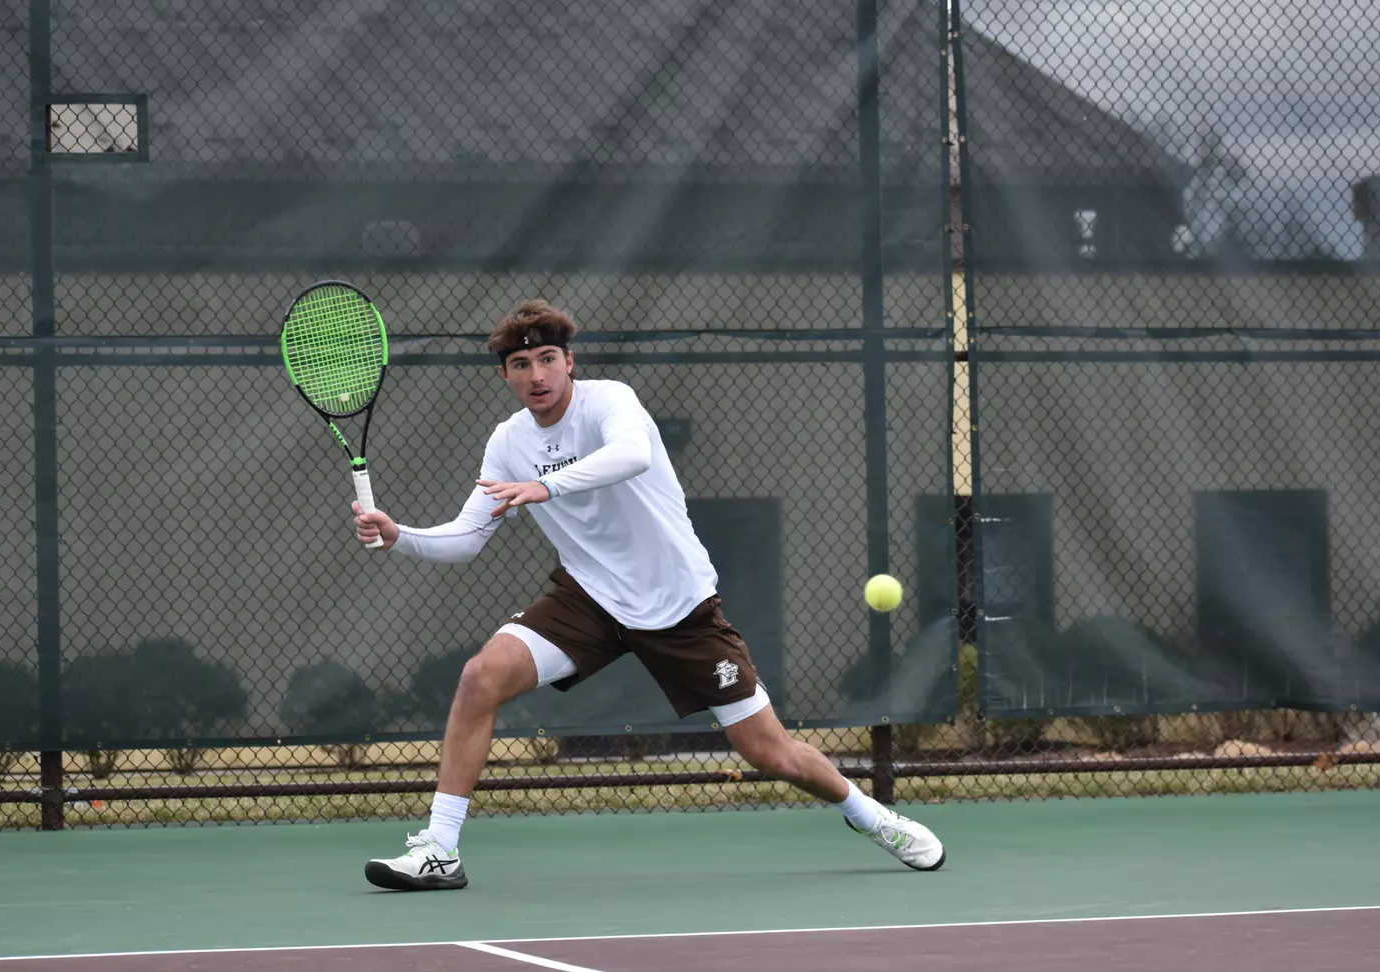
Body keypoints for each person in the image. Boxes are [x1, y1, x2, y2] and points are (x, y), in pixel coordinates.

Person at [353, 300, 945, 890]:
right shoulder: (508, 442)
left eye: (547, 359)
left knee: (771, 754)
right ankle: (441, 850)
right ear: (504, 375)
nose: (536, 375)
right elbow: (466, 537)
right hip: (587, 597)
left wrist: (544, 487)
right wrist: (400, 536)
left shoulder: (611, 401)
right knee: (482, 676)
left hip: (678, 605)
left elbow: (631, 455)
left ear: (569, 362)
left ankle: (871, 816)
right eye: (522, 364)